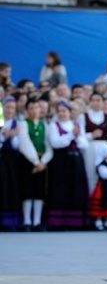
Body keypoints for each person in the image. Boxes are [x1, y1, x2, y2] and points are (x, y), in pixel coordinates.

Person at [46, 101, 89, 229]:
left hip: (75, 160)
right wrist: (71, 135)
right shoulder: (54, 126)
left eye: (64, 111)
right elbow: (56, 143)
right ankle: (58, 221)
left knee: (76, 189)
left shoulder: (76, 125)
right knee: (60, 188)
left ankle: (75, 222)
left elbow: (84, 144)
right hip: (61, 160)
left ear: (70, 112)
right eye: (59, 111)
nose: (61, 114)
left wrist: (76, 137)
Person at [76, 92, 107, 194]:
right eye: (93, 100)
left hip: (105, 148)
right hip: (89, 148)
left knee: (105, 172)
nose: (96, 103)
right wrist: (91, 135)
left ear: (103, 102)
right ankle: (91, 199)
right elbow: (79, 136)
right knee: (90, 173)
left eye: (98, 100)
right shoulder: (83, 116)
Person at [18, 99, 53, 231]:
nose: (34, 111)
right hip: (29, 161)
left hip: (42, 161)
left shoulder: (45, 125)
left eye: (36, 108)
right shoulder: (24, 124)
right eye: (31, 108)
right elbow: (25, 143)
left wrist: (43, 161)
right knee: (27, 190)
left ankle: (37, 221)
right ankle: (27, 221)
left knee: (39, 191)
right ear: (27, 111)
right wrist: (36, 161)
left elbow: (49, 145)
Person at [0, 96, 21, 230]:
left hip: (12, 160)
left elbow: (18, 145)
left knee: (11, 187)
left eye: (12, 108)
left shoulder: (17, 123)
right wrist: (4, 137)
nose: (10, 110)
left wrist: (12, 137)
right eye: (7, 107)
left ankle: (11, 221)